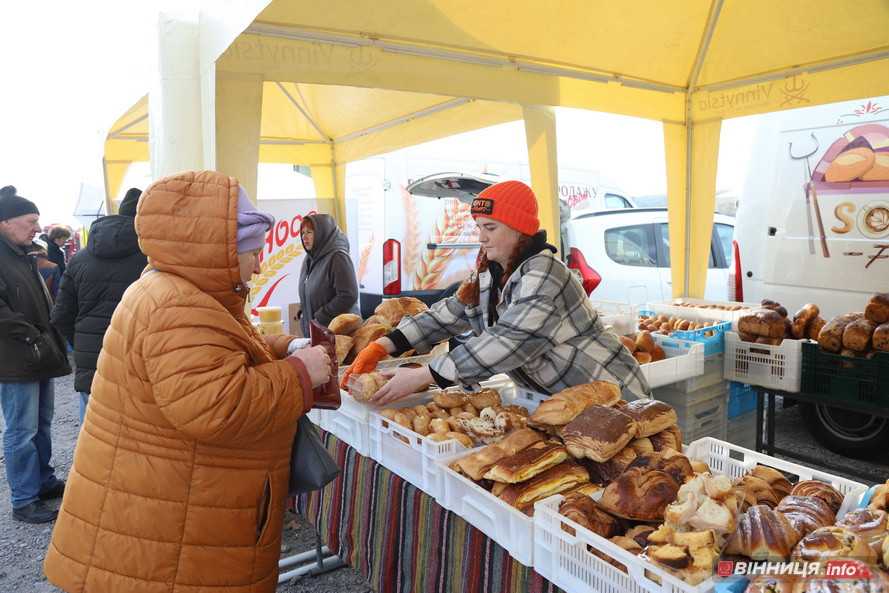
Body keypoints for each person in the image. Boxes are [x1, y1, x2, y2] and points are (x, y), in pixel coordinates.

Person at [44, 171, 332, 593]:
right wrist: (301, 374)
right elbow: (217, 407)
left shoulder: (179, 291)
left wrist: (285, 347)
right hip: (169, 527)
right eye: (252, 251)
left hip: (164, 505)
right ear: (220, 249)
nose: (258, 262)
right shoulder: (178, 306)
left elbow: (222, 351)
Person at [342, 180, 650, 404]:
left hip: (613, 395)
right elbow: (450, 313)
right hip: (562, 401)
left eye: (491, 228)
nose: (481, 238)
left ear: (519, 231)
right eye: (478, 228)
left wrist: (426, 375)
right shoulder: (490, 274)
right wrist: (384, 345)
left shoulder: (546, 275)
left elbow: (509, 340)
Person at [0, 185, 71, 524]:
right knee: (21, 430)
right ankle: (24, 499)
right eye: (30, 221)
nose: (36, 228)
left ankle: (43, 482)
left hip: (39, 353)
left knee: (41, 424)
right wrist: (32, 336)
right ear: (5, 222)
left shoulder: (23, 254)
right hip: (16, 359)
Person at [51, 187, 148, 424]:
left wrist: (81, 341)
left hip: (91, 358)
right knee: (137, 429)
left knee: (92, 426)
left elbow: (61, 314)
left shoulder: (80, 258)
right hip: (137, 356)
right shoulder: (152, 257)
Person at [297, 213, 359, 337]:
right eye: (302, 233)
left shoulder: (338, 257)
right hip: (317, 333)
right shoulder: (309, 259)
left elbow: (348, 295)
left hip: (339, 335)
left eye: (309, 232)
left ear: (322, 233)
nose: (304, 237)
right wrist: (304, 310)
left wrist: (321, 316)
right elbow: (309, 289)